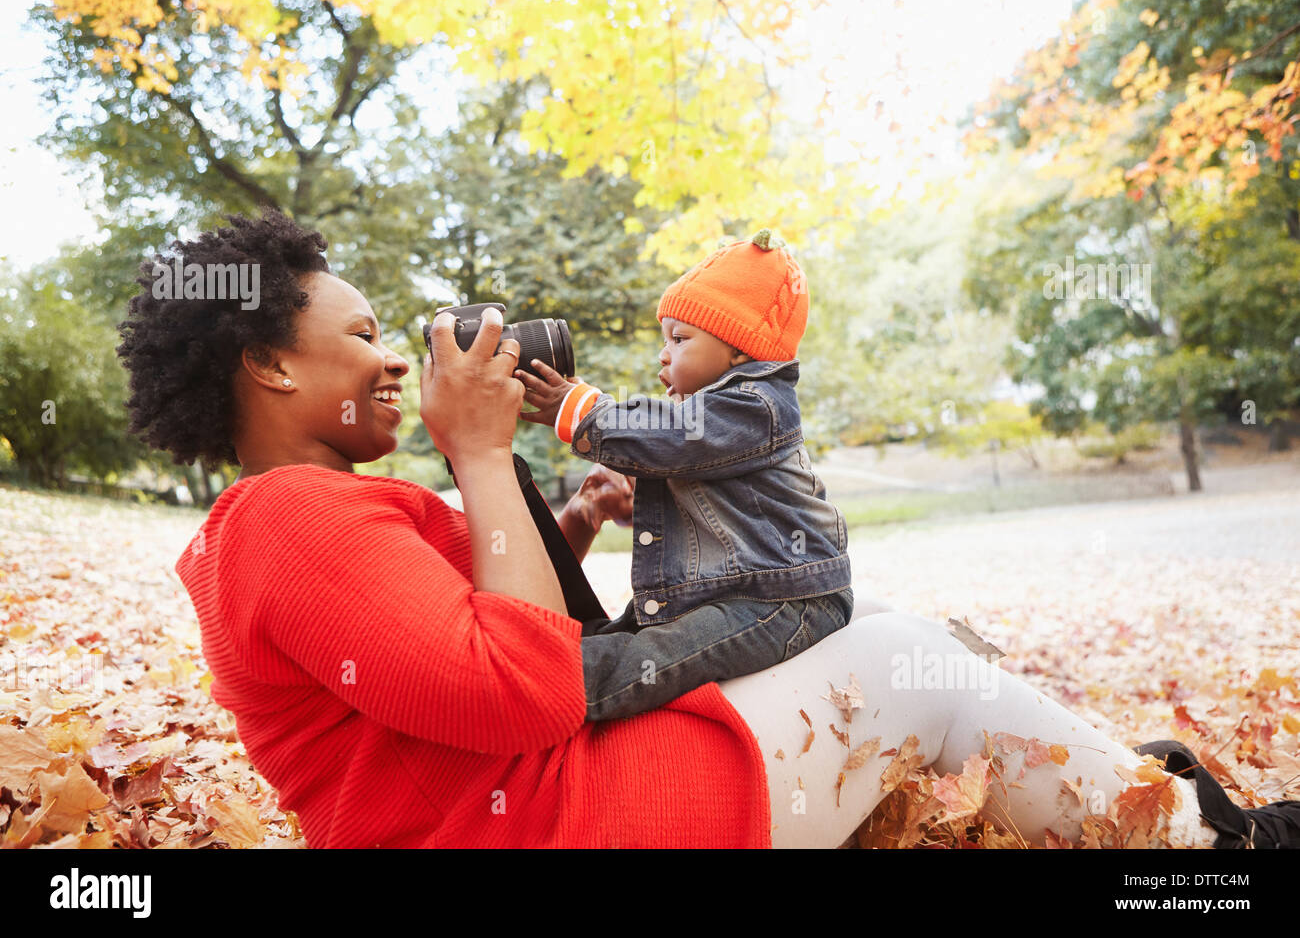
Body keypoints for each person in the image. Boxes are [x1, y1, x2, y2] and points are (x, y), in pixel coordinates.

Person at [117, 208, 1297, 848]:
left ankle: (1120, 798)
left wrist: (566, 519)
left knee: (880, 625)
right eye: (366, 333)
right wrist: (479, 451)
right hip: (549, 821)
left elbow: (470, 634)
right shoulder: (281, 521)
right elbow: (527, 688)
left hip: (536, 796)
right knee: (898, 668)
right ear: (268, 363)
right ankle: (1202, 846)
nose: (391, 357)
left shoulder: (313, 513)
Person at [513, 229, 854, 721]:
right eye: (663, 339)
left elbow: (674, 436)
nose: (664, 353)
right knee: (613, 637)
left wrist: (578, 408)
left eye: (680, 338)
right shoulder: (714, 412)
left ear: (738, 351)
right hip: (725, 592)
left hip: (784, 600)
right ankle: (553, 659)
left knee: (648, 660)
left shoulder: (757, 405)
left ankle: (544, 690)